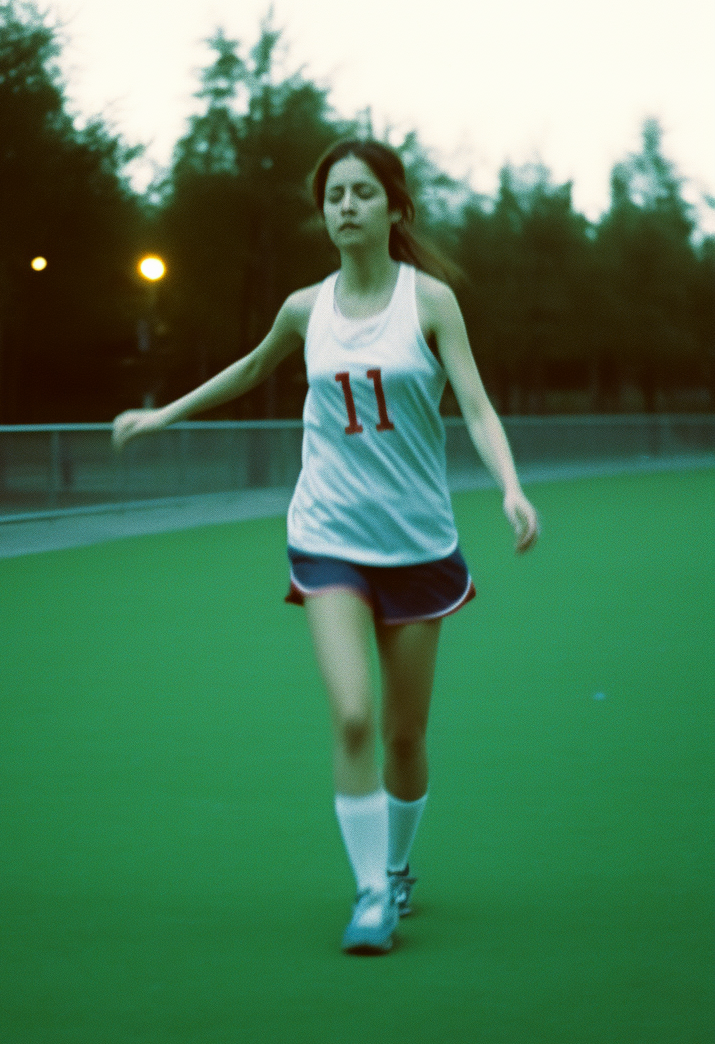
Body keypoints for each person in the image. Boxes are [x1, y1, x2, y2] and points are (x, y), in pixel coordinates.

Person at [113, 139, 538, 955]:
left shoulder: (433, 303)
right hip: (328, 538)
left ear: (395, 209)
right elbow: (249, 369)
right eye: (333, 195)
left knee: (404, 736)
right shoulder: (307, 308)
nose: (345, 206)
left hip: (418, 544)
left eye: (362, 194)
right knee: (353, 717)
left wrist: (511, 489)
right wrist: (162, 415)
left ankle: (400, 867)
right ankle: (370, 893)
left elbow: (478, 409)